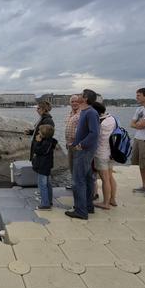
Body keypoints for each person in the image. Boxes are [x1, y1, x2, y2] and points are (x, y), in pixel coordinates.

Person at [65, 89, 99, 220]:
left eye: (81, 95)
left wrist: (81, 144)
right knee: (88, 178)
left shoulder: (90, 112)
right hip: (83, 150)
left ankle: (80, 211)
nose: (78, 96)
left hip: (84, 151)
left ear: (85, 99)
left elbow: (94, 133)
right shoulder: (86, 112)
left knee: (78, 180)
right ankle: (88, 206)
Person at [91, 102, 117, 209]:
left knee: (104, 179)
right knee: (110, 177)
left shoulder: (100, 123)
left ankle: (105, 203)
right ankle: (112, 199)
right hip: (112, 152)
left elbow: (95, 137)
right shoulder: (112, 118)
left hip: (101, 153)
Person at [32, 124, 58, 210]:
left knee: (42, 185)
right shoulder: (50, 141)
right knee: (48, 184)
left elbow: (38, 150)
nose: (38, 132)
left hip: (43, 166)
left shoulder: (45, 143)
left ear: (43, 134)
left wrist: (37, 142)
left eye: (39, 131)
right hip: (47, 166)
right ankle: (48, 201)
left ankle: (45, 204)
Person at [64, 94, 82, 188]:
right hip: (69, 144)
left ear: (80, 102)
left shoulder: (82, 113)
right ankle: (74, 184)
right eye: (72, 101)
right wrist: (67, 143)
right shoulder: (69, 114)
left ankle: (78, 185)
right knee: (71, 166)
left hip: (78, 145)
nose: (74, 103)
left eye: (76, 101)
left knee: (78, 167)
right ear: (70, 103)